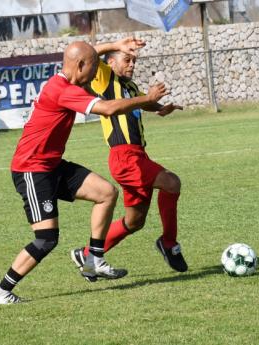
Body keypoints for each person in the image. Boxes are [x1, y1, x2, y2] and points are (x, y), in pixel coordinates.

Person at [0, 40, 169, 305]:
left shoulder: (67, 80)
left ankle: (93, 259)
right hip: (32, 170)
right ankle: (1, 291)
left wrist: (116, 44)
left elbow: (87, 53)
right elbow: (107, 109)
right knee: (46, 239)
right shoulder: (62, 90)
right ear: (80, 66)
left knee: (106, 193)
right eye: (93, 68)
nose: (96, 74)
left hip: (51, 165)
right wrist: (148, 99)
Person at [70, 37, 187, 282]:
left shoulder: (131, 87)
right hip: (124, 157)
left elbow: (145, 102)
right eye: (127, 59)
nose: (132, 64)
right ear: (110, 63)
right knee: (172, 183)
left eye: (134, 60)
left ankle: (85, 254)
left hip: (137, 156)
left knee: (135, 222)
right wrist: (115, 45)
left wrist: (161, 107)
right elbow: (89, 52)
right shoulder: (104, 78)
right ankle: (168, 243)